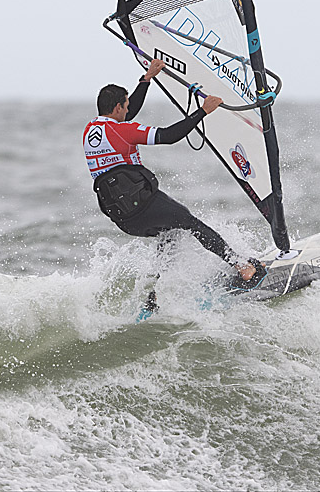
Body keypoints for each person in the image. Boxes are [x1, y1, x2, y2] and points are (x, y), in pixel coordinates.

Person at [83, 59, 265, 307]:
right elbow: (168, 136)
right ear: (116, 109)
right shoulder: (123, 131)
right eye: (124, 107)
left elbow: (128, 114)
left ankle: (154, 295)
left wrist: (146, 79)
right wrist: (203, 111)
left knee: (169, 233)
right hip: (142, 204)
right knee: (188, 221)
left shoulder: (91, 129)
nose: (128, 111)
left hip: (122, 217)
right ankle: (242, 266)